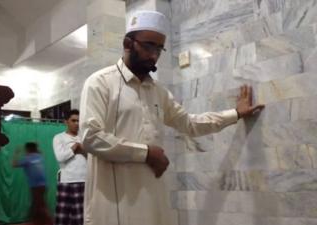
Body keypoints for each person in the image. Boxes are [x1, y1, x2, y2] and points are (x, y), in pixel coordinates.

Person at [79, 10, 265, 225]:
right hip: (111, 204)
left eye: (159, 49)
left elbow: (190, 124)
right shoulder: (100, 83)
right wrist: (147, 153)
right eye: (149, 46)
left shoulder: (158, 91)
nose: (154, 55)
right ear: (128, 43)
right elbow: (90, 137)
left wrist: (235, 114)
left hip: (151, 196)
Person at [53, 109, 87, 225]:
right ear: (66, 122)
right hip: (66, 181)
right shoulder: (59, 138)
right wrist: (75, 147)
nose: (76, 123)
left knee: (80, 216)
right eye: (73, 120)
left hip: (84, 180)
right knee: (63, 217)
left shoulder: (84, 138)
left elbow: (92, 159)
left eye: (78, 121)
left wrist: (82, 150)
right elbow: (60, 157)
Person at [13, 142, 53, 225]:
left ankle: (48, 221)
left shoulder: (27, 159)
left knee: (39, 205)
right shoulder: (39, 157)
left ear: (28, 149)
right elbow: (40, 152)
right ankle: (38, 221)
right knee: (38, 204)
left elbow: (14, 164)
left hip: (36, 186)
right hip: (43, 185)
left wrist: (16, 153)